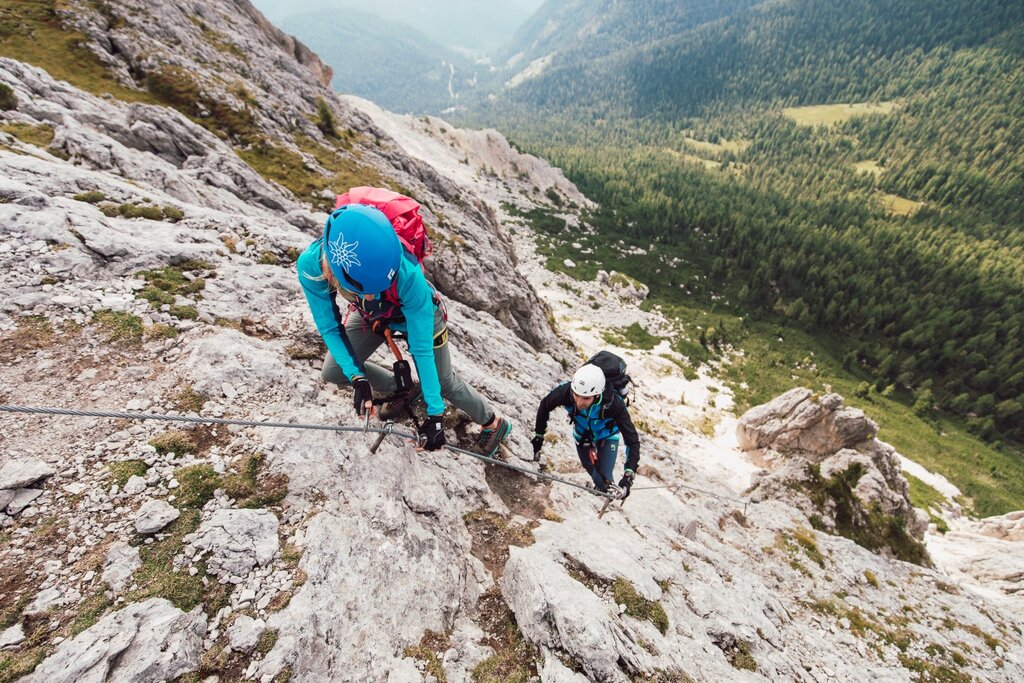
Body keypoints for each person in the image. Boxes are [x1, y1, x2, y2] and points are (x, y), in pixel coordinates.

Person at [297, 199, 512, 455]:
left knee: (443, 382)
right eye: (364, 291)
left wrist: (435, 417)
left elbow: (421, 349)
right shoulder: (312, 266)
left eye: (373, 291)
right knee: (334, 371)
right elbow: (330, 327)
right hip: (372, 316)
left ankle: (493, 422)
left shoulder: (408, 277)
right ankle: (405, 389)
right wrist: (358, 378)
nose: (370, 295)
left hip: (420, 313)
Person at [531, 363, 640, 497]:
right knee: (596, 476)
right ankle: (602, 488)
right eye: (577, 395)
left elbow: (632, 441)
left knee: (605, 477)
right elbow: (544, 406)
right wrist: (539, 436)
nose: (579, 402)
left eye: (586, 398)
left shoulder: (614, 403)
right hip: (582, 434)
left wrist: (628, 477)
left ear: (597, 394)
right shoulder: (566, 391)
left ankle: (605, 493)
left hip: (607, 434)